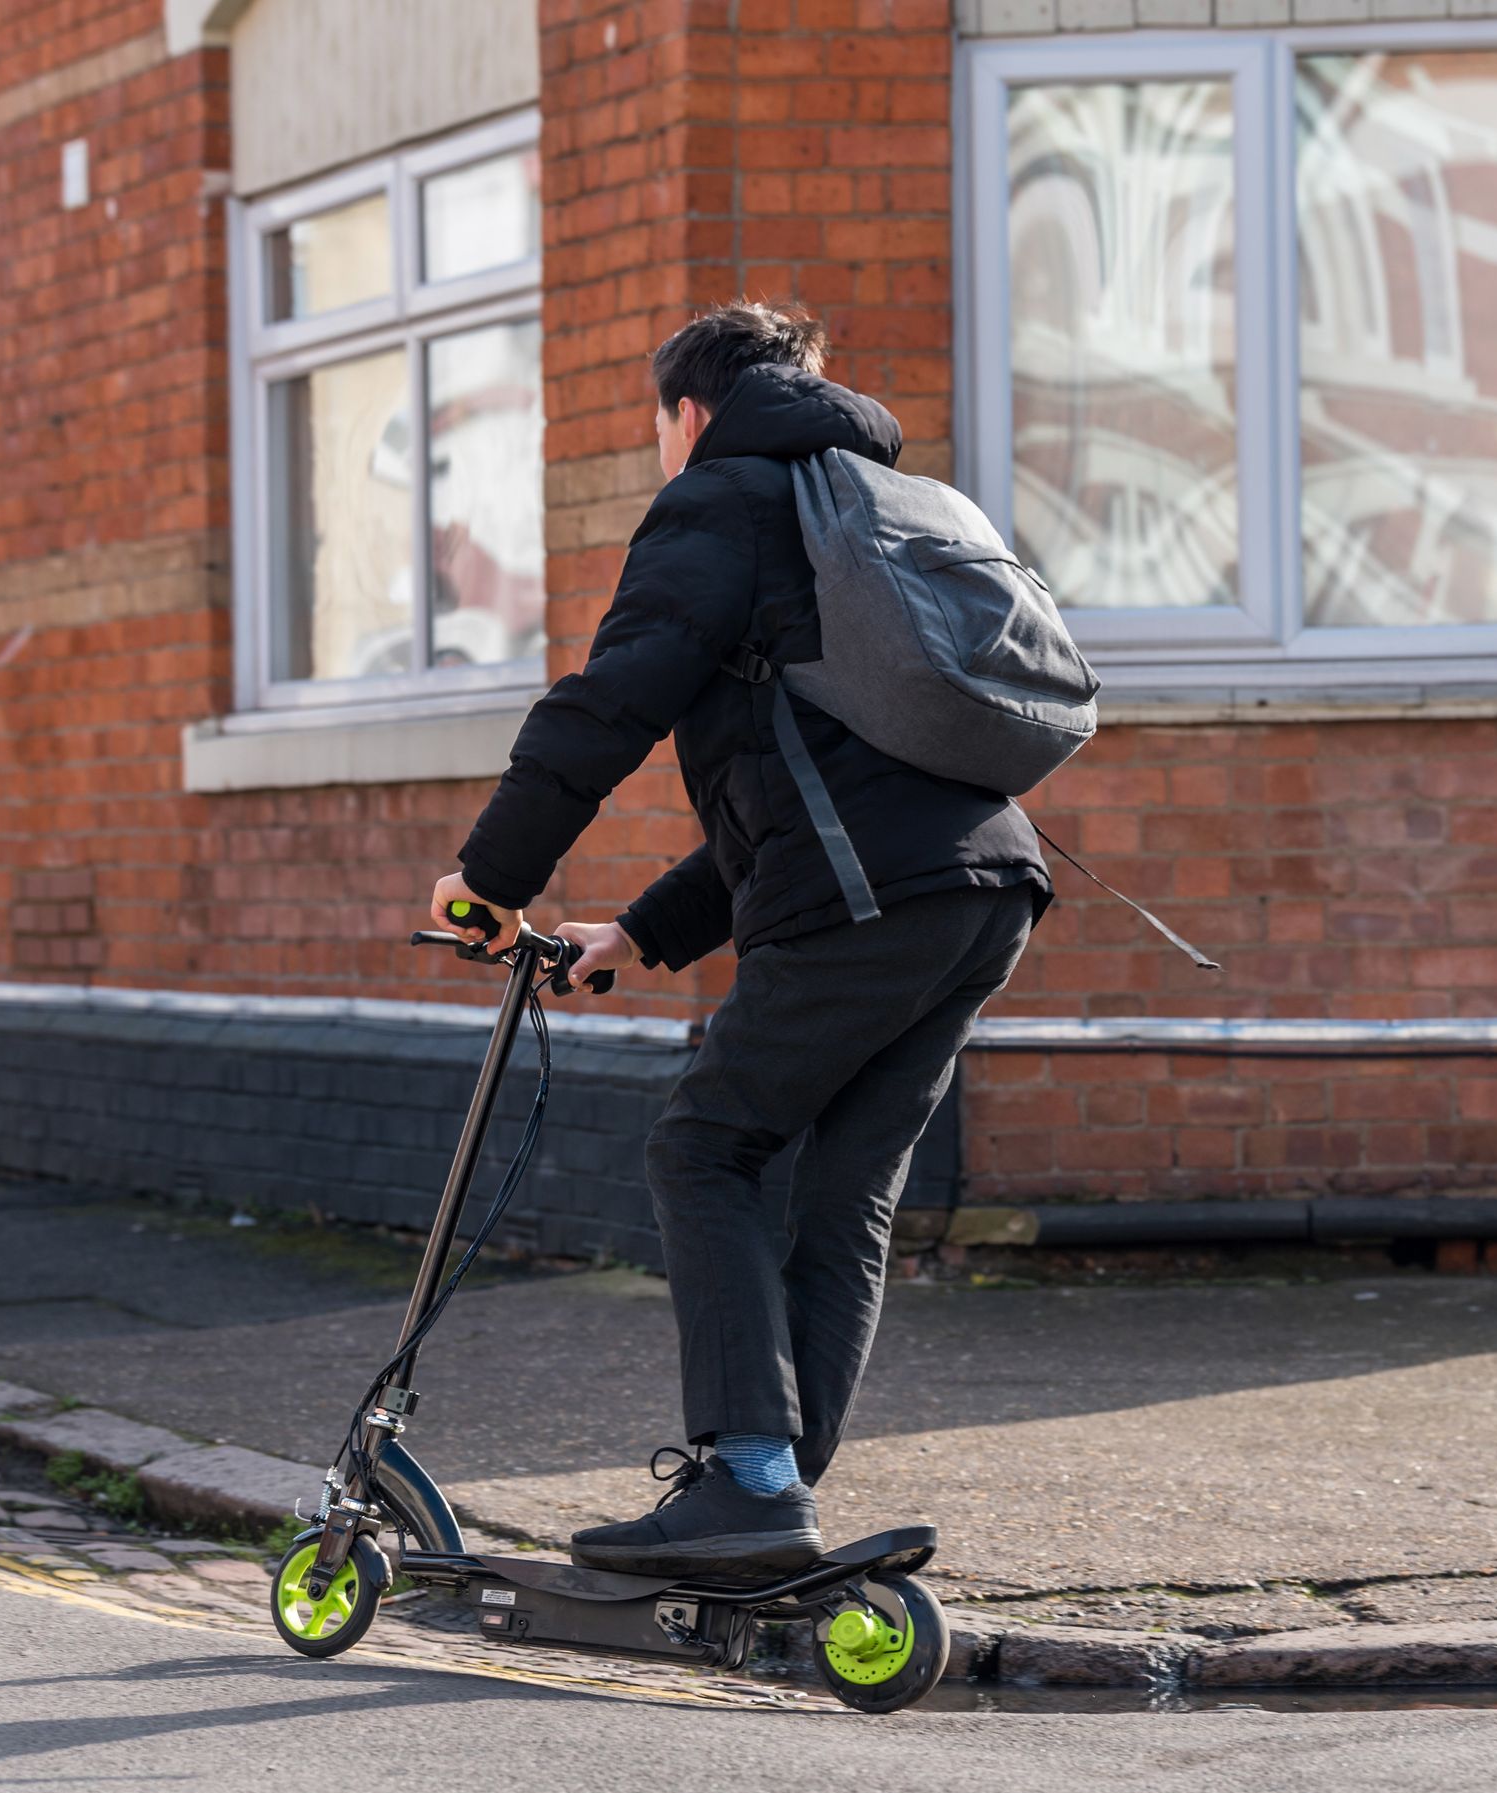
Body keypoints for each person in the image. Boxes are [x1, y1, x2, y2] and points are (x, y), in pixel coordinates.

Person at [430, 302, 1048, 1579]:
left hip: (869, 900)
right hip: (981, 885)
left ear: (689, 415)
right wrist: (637, 932)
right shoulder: (865, 510)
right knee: (841, 1191)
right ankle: (768, 1502)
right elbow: (804, 787)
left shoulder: (719, 503)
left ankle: (748, 1487)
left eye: (659, 427)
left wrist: (490, 882)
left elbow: (607, 705)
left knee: (703, 1146)